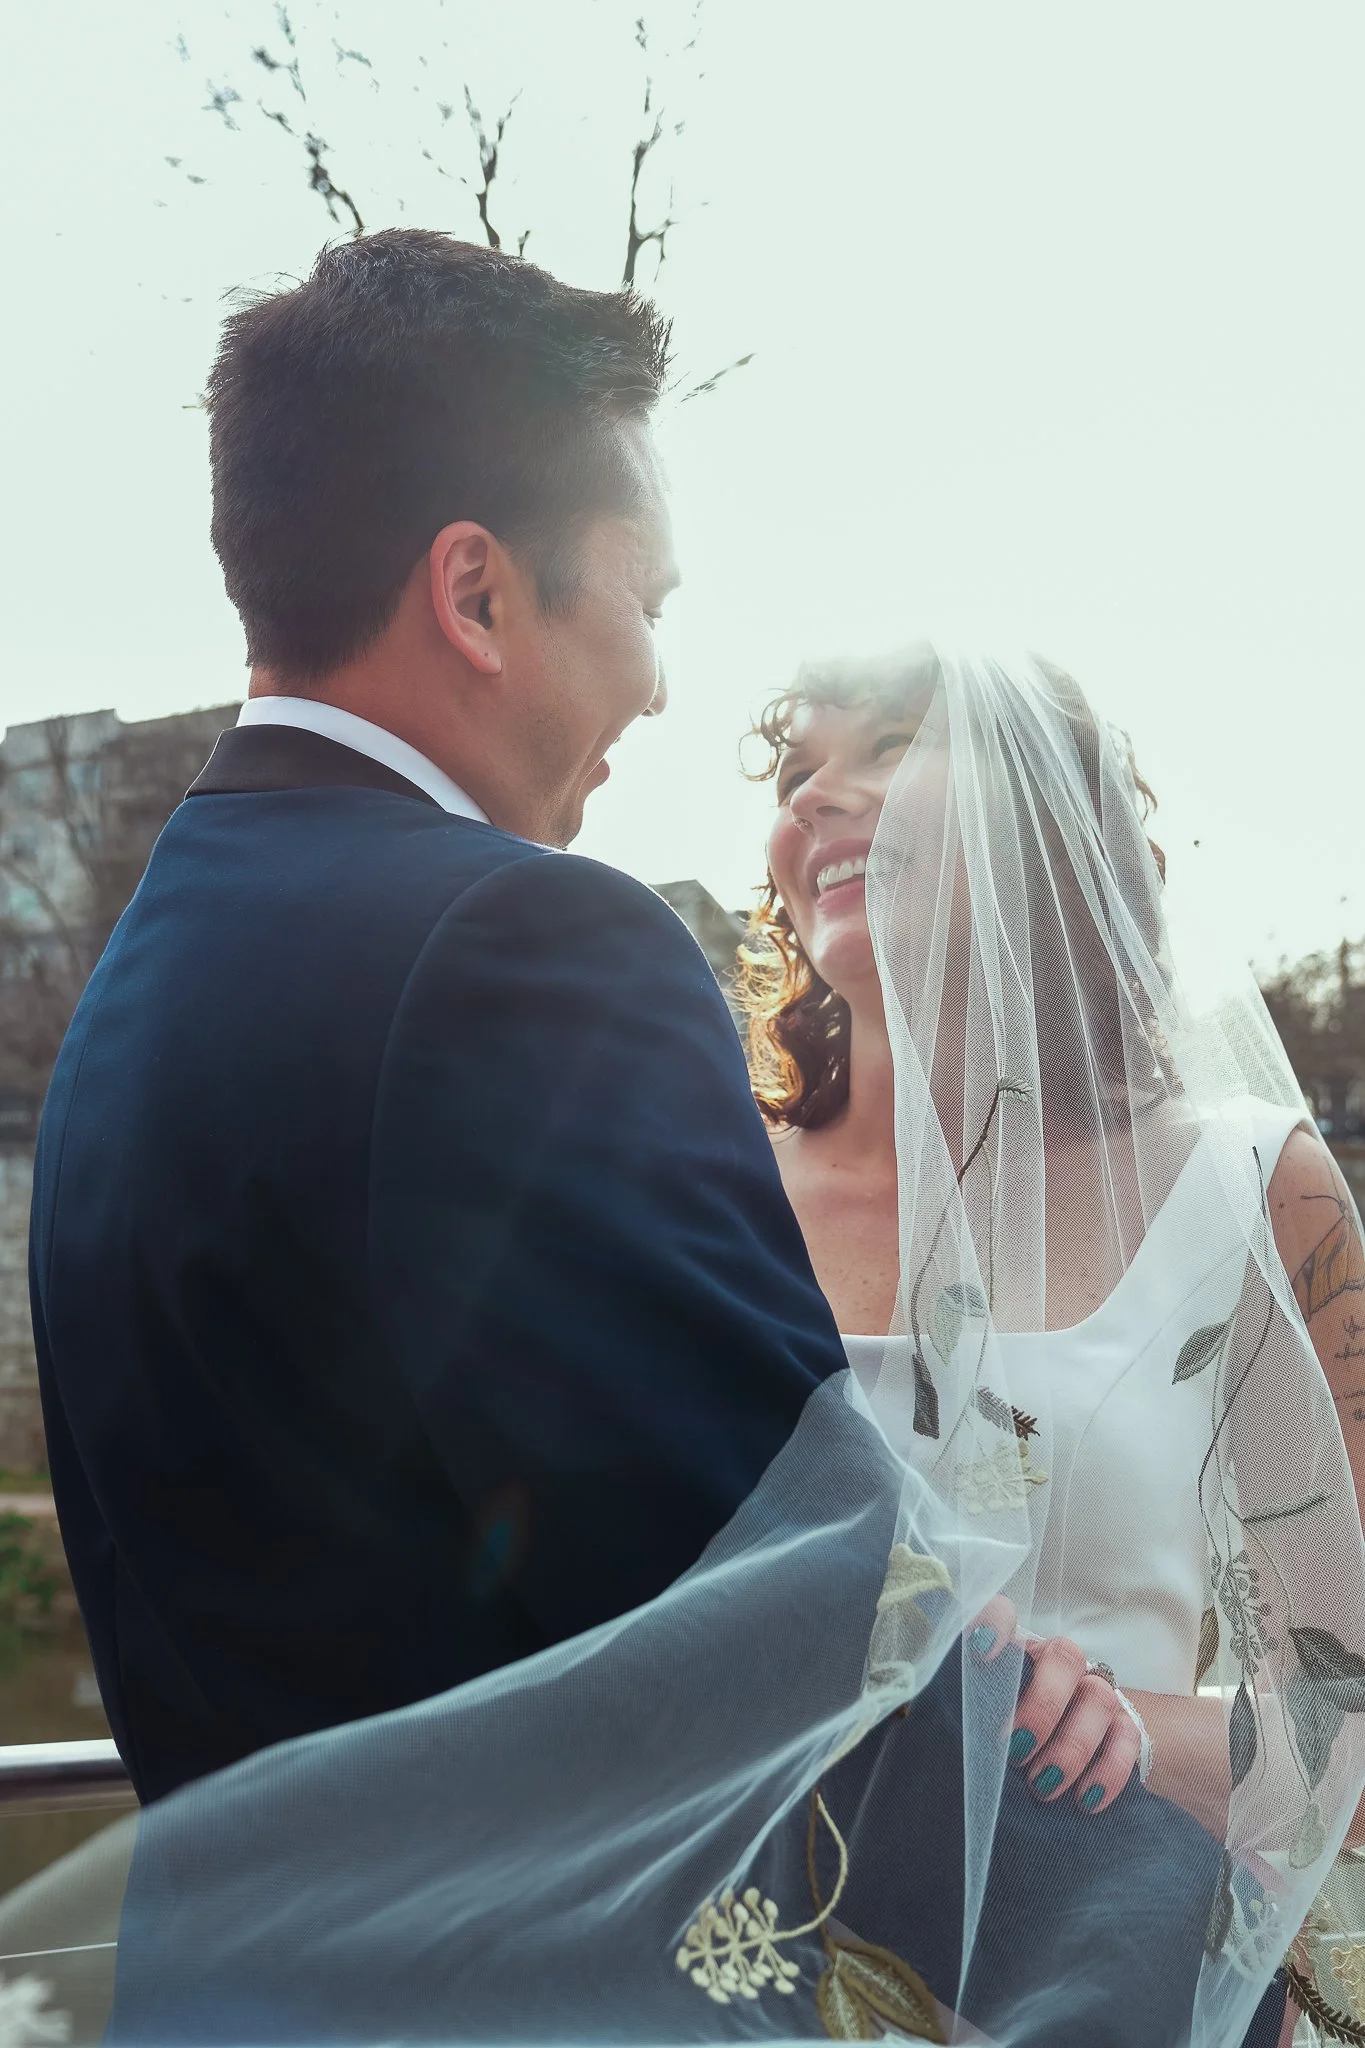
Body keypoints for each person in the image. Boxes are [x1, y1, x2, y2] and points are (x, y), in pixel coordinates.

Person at [22, 237, 1143, 2046]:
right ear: (477, 590)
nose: (660, 684)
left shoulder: (142, 987)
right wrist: (1225, 1954)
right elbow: (788, 1620)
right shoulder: (519, 945)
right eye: (643, 595)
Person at [741, 644, 1365, 2046]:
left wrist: (1132, 1740)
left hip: (1131, 1989)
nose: (821, 797)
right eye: (794, 774)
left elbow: (1356, 1704)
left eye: (890, 744)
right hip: (751, 1986)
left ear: (1049, 810)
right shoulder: (702, 1195)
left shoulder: (1253, 1191)